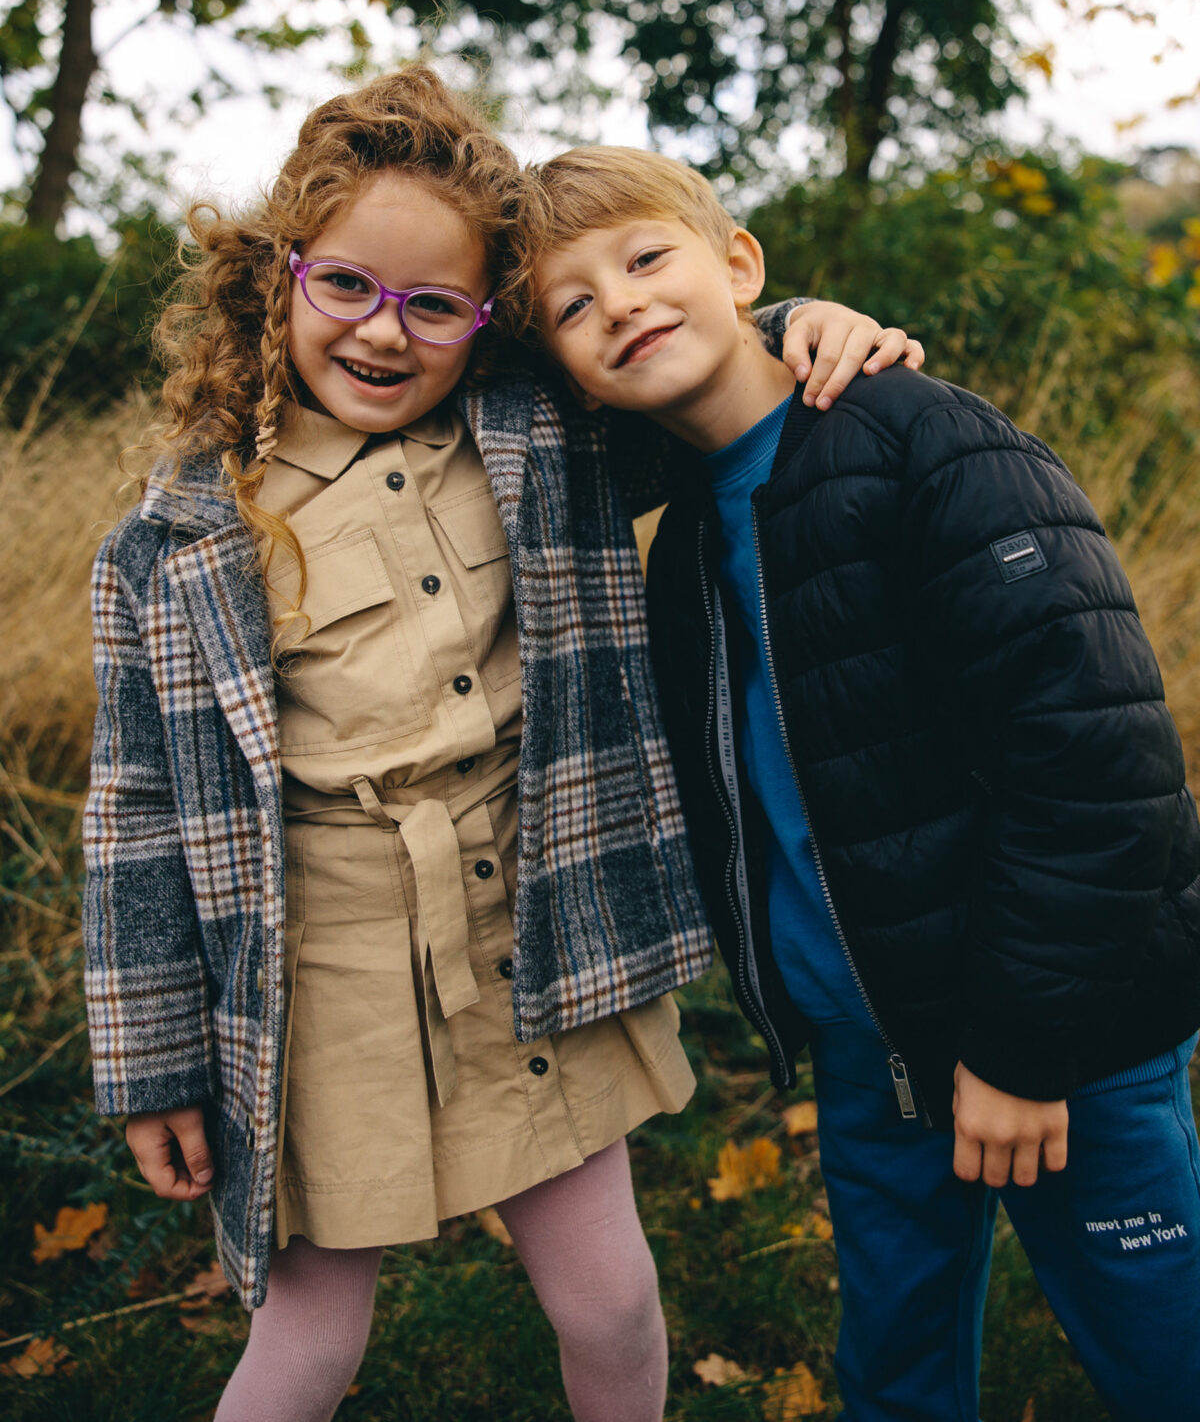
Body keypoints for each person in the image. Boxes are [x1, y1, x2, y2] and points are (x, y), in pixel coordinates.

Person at [81, 68, 921, 1422]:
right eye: (346, 286)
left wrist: (804, 324)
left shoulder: (545, 438)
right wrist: (154, 1064)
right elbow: (131, 813)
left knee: (612, 1303)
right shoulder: (181, 537)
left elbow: (693, 367)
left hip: (532, 934)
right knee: (309, 1346)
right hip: (324, 972)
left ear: (488, 321)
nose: (383, 332)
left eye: (436, 306)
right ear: (282, 274)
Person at [524, 143, 1200, 1422]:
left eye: (647, 258)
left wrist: (1018, 1051)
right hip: (872, 1033)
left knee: (1159, 1351)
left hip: (1062, 1030)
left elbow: (1099, 769)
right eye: (570, 304)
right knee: (893, 1368)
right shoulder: (670, 547)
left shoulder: (921, 441)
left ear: (738, 266)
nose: (615, 302)